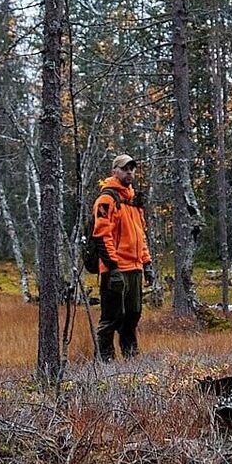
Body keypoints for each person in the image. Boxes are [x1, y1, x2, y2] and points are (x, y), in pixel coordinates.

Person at [89, 153, 155, 361]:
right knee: (111, 318)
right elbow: (101, 236)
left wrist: (147, 263)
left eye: (132, 168)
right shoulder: (107, 200)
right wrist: (113, 268)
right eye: (125, 168)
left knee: (133, 316)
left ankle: (131, 360)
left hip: (135, 267)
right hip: (115, 270)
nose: (129, 172)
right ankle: (105, 362)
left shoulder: (134, 203)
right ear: (114, 171)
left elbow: (140, 237)